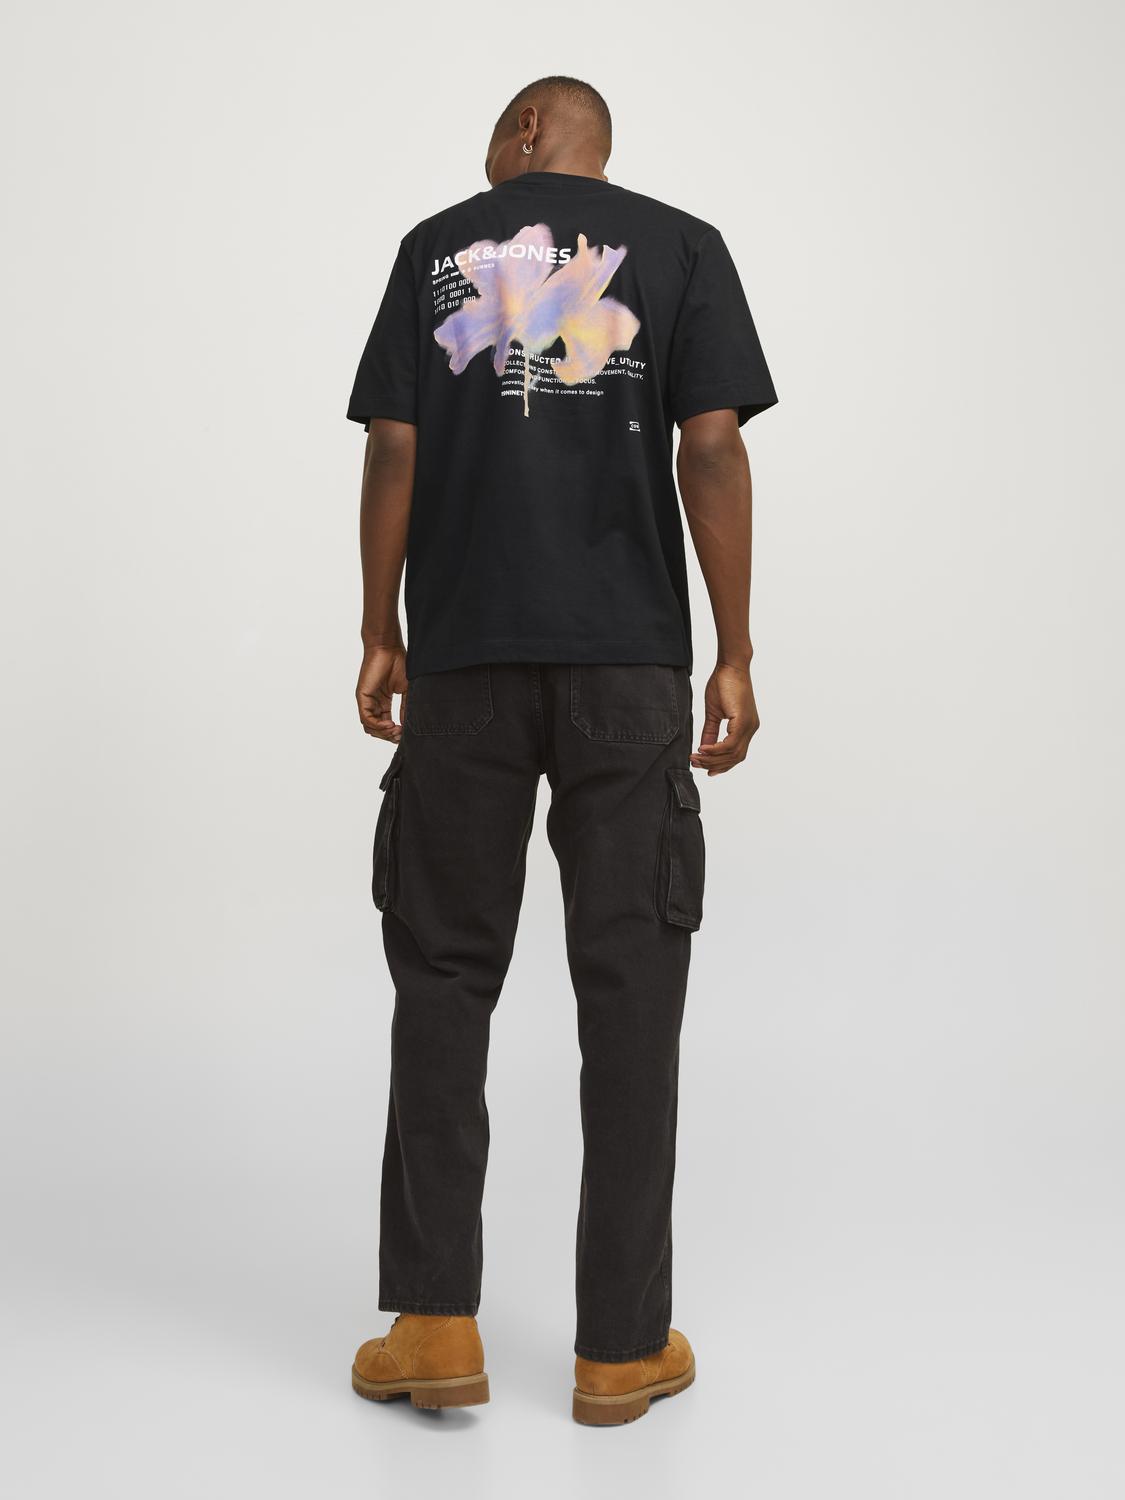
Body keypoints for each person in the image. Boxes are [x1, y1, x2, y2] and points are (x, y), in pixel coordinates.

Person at [345, 75, 777, 1426]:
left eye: (498, 130)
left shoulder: (437, 248)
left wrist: (379, 626)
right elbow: (712, 447)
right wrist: (733, 648)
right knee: (632, 990)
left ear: (530, 130)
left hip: (465, 660)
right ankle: (619, 1348)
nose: (490, 153)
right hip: (624, 664)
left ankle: (433, 1324)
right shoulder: (684, 248)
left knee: (442, 975)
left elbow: (394, 448)